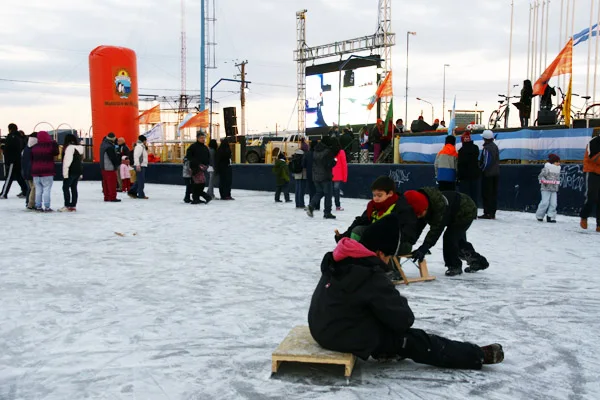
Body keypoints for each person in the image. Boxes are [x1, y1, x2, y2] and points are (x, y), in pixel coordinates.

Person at [308, 213, 505, 370]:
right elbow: (404, 319)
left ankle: (385, 350)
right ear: (379, 253)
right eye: (389, 256)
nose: (389, 262)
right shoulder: (369, 275)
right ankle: (475, 354)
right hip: (341, 335)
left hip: (322, 326)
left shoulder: (341, 259)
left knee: (378, 317)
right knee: (414, 340)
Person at [404, 187, 489, 276]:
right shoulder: (421, 203)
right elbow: (418, 225)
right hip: (452, 211)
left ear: (426, 208)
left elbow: (436, 230)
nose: (419, 216)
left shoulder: (439, 207)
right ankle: (478, 261)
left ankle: (454, 266)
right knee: (458, 241)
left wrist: (425, 247)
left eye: (420, 214)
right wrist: (408, 241)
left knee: (450, 238)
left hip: (465, 211)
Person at [336, 176, 419, 256]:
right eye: (374, 195)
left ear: (390, 193)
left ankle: (376, 263)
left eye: (379, 195)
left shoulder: (402, 208)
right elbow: (360, 221)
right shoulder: (374, 206)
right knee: (357, 230)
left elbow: (409, 233)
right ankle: (355, 256)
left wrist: (385, 237)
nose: (376, 198)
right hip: (376, 240)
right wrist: (343, 236)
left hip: (398, 244)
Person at [307, 137, 336, 219]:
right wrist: (335, 161)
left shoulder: (315, 151)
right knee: (328, 194)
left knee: (319, 192)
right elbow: (329, 164)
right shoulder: (327, 152)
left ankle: (311, 205)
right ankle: (327, 212)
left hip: (316, 176)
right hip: (325, 176)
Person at [30, 131, 59, 212]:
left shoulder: (34, 147)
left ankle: (38, 206)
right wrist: (54, 143)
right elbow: (56, 153)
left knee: (38, 190)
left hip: (36, 171)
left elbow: (31, 159)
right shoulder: (50, 146)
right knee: (47, 189)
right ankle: (47, 206)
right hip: (48, 171)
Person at [1, 123, 27, 199]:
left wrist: (3, 147)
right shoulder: (20, 137)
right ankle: (25, 191)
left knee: (9, 177)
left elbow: (9, 149)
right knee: (19, 176)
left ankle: (4, 193)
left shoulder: (11, 137)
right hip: (18, 160)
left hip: (12, 160)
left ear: (9, 129)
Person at [580, 133, 600, 232]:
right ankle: (584, 216)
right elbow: (594, 158)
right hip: (592, 171)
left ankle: (599, 225)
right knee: (592, 196)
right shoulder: (594, 141)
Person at [185, 131, 212, 204]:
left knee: (200, 184)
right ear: (197, 138)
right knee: (196, 184)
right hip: (195, 168)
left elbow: (208, 157)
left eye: (204, 138)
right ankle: (198, 198)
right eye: (201, 138)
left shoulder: (205, 147)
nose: (203, 139)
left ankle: (197, 198)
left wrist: (207, 164)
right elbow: (189, 156)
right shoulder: (193, 147)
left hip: (203, 168)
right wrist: (197, 163)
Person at [60, 134, 84, 212]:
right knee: (74, 188)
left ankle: (67, 205)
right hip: (78, 170)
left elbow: (67, 162)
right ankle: (73, 205)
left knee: (65, 188)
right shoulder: (80, 148)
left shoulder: (69, 148)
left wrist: (65, 174)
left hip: (70, 171)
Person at [479, 130, 500, 219]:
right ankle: (492, 212)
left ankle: (487, 212)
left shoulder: (487, 148)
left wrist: (481, 169)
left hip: (488, 174)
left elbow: (487, 162)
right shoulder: (495, 147)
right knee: (493, 194)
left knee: (487, 193)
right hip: (495, 173)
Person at [536, 154, 561, 223]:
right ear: (553, 162)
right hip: (546, 188)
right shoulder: (547, 168)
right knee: (545, 202)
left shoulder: (558, 169)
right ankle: (540, 215)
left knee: (554, 203)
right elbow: (541, 176)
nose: (559, 163)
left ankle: (550, 216)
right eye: (557, 162)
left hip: (554, 189)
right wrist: (545, 182)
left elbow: (557, 178)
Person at [457, 131, 480, 205]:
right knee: (474, 195)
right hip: (473, 175)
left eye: (467, 137)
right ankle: (474, 210)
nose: (466, 138)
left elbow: (460, 164)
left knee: (465, 196)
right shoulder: (475, 148)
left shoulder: (461, 150)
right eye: (465, 137)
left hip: (465, 177)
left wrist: (459, 176)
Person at [100, 133, 121, 202]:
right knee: (112, 183)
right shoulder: (109, 146)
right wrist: (116, 165)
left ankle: (106, 197)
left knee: (105, 183)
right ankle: (112, 197)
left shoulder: (103, 144)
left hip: (103, 166)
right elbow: (112, 158)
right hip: (109, 167)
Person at [128, 135, 149, 200]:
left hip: (141, 165)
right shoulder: (139, 147)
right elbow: (136, 156)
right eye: (146, 140)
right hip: (140, 165)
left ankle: (132, 191)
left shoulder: (141, 146)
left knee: (139, 180)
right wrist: (137, 165)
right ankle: (141, 195)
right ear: (144, 140)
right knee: (141, 181)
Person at [21, 132, 37, 210]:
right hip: (33, 171)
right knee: (34, 188)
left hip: (25, 171)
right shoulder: (36, 148)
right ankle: (31, 204)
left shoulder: (26, 148)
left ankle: (28, 202)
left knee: (30, 188)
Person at [332, 143, 348, 211]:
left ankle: (327, 206)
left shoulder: (329, 151)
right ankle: (337, 206)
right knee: (336, 191)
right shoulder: (341, 152)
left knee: (328, 191)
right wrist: (345, 177)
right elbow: (344, 164)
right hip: (337, 175)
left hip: (329, 173)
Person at [304, 139, 317, 207]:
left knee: (311, 190)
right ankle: (317, 205)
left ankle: (311, 204)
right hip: (318, 174)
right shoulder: (319, 154)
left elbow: (303, 164)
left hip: (309, 174)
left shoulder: (307, 154)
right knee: (318, 190)